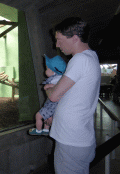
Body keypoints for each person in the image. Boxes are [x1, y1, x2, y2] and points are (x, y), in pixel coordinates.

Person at [44, 17, 101, 174]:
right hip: (79, 138)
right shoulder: (91, 57)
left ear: (75, 38)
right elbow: (75, 94)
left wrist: (49, 89)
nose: (56, 45)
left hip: (71, 140)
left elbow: (54, 96)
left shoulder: (80, 59)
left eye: (59, 40)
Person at [28, 55, 66, 135]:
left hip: (52, 105)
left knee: (38, 116)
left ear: (53, 71)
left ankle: (38, 130)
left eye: (47, 68)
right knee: (47, 117)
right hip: (54, 106)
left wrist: (48, 86)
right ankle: (46, 130)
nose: (45, 70)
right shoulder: (60, 78)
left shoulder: (56, 79)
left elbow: (58, 87)